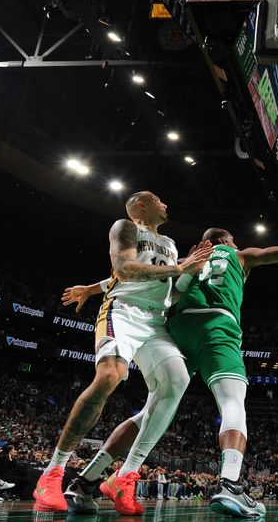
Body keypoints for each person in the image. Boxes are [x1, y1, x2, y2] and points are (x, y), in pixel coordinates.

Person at [65, 221, 278, 518]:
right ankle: (231, 485)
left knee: (150, 411)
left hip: (177, 328)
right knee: (232, 403)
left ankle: (85, 481)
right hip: (217, 327)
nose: (236, 244)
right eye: (234, 240)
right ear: (225, 240)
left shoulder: (185, 260)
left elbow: (136, 276)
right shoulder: (240, 256)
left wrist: (90, 289)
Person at [33, 191, 213, 514]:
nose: (166, 203)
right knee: (111, 376)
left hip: (155, 322)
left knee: (178, 379)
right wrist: (181, 268)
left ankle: (125, 475)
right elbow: (126, 270)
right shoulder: (125, 228)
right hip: (123, 312)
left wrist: (189, 270)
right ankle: (52, 474)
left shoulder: (170, 245)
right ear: (140, 206)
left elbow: (149, 275)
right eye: (159, 199)